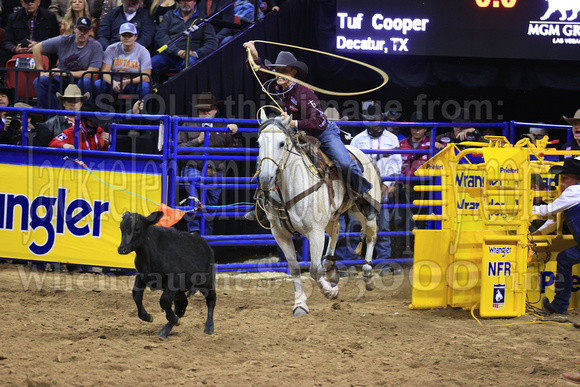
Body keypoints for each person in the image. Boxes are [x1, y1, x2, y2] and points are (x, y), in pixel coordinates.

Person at [242, 41, 376, 221]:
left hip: (323, 133)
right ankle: (261, 203)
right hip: (298, 133)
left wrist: (294, 124)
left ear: (293, 73)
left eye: (283, 70)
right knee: (269, 157)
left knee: (344, 162)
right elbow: (258, 70)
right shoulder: (276, 83)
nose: (278, 73)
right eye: (277, 70)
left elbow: (319, 122)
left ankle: (362, 195)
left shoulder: (304, 93)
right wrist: (254, 54)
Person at [337, 111, 402, 260]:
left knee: (383, 226)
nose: (374, 123)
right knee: (355, 225)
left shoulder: (392, 139)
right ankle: (352, 262)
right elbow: (351, 164)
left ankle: (383, 262)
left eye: (377, 119)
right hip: (361, 188)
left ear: (382, 119)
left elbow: (396, 163)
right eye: (370, 120)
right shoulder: (358, 140)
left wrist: (387, 183)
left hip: (382, 187)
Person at [177, 92, 241, 234]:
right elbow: (177, 148)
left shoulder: (224, 126)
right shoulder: (188, 124)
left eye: (209, 109)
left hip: (216, 170)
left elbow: (236, 150)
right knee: (194, 197)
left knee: (210, 206)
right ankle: (194, 231)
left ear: (215, 110)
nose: (206, 112)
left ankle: (206, 236)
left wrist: (235, 134)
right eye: (202, 109)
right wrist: (197, 141)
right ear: (198, 110)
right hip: (193, 166)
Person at [532, 157, 580, 316]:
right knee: (564, 258)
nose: (562, 183)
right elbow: (554, 220)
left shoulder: (575, 191)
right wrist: (534, 235)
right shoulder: (573, 194)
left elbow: (546, 211)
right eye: (561, 178)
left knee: (564, 259)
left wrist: (523, 208)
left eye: (565, 178)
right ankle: (559, 305)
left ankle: (560, 305)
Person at [32, 16, 103, 109]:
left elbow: (90, 74)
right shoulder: (63, 40)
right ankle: (54, 117)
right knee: (39, 81)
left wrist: (66, 73)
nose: (82, 33)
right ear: (74, 29)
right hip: (60, 78)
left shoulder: (96, 46)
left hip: (79, 80)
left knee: (86, 82)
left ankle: (82, 118)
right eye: (80, 29)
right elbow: (36, 48)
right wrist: (41, 72)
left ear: (90, 31)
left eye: (85, 30)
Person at [151, 0, 217, 74]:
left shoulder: (203, 19)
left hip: (191, 57)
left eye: (189, 0)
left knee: (190, 62)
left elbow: (212, 43)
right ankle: (151, 85)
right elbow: (161, 36)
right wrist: (177, 51)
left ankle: (183, 85)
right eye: (183, 0)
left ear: (195, 2)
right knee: (152, 62)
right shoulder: (169, 15)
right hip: (170, 55)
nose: (186, 2)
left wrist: (196, 53)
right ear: (179, 1)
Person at [94, 22, 152, 100]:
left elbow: (146, 77)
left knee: (144, 86)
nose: (127, 38)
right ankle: (102, 110)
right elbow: (104, 72)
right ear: (119, 36)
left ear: (135, 37)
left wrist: (127, 82)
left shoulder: (143, 51)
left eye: (130, 35)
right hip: (114, 83)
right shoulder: (111, 49)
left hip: (133, 84)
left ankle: (141, 110)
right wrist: (113, 82)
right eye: (124, 35)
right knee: (98, 84)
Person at [0, 0, 59, 68]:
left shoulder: (50, 16)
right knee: (2, 54)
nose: (30, 4)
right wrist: (15, 49)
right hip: (19, 50)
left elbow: (55, 40)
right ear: (22, 3)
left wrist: (39, 45)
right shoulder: (13, 17)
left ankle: (44, 77)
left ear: (38, 2)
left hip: (42, 51)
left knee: (53, 56)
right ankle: (5, 78)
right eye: (27, 2)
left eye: (32, 1)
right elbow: (7, 41)